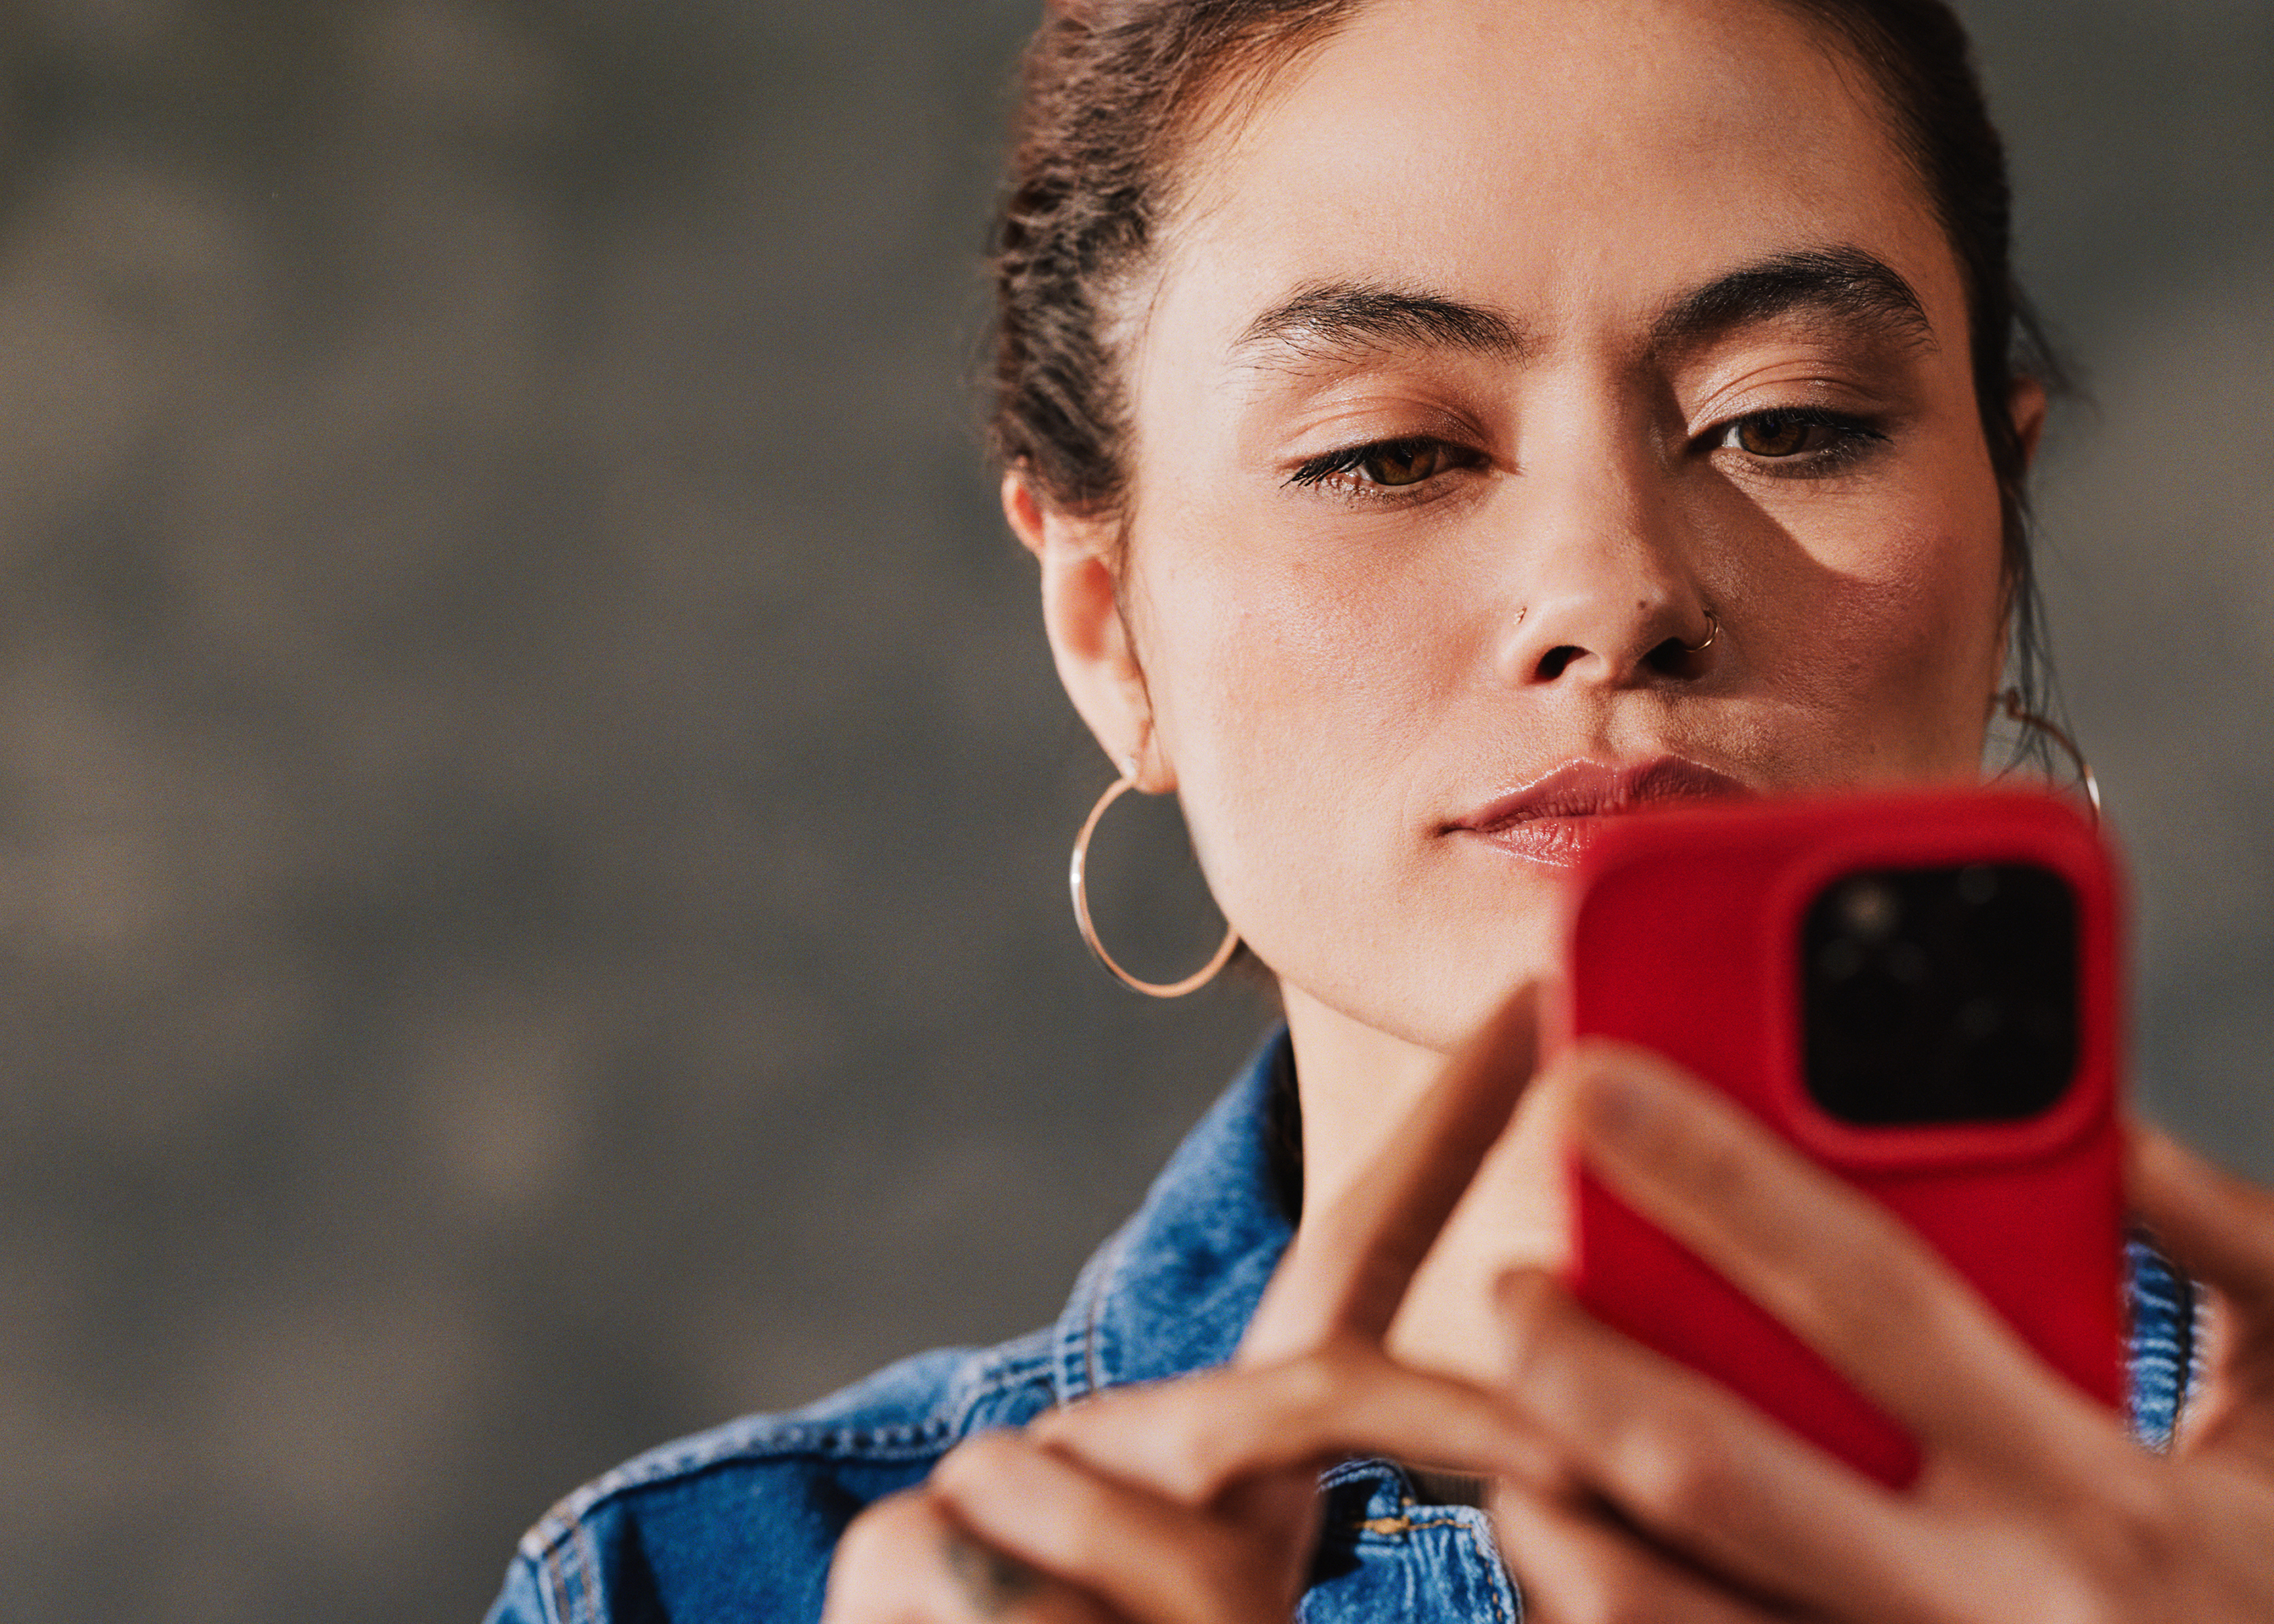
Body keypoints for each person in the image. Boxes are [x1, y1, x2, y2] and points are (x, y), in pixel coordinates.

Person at [487, 1, 2274, 1619]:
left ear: (2003, 496)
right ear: (1110, 630)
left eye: (1785, 419)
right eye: (1389, 455)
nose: (1614, 583)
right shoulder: (696, 1587)